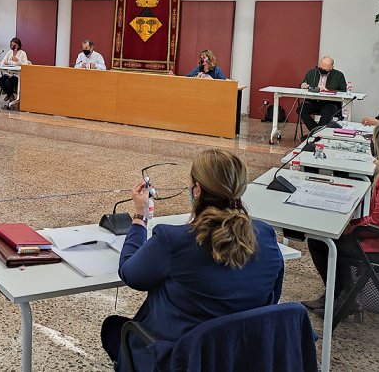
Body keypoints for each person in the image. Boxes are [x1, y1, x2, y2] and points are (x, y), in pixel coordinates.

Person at [100, 149, 284, 371]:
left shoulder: (173, 240)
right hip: (241, 355)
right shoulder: (264, 234)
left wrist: (140, 217)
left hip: (183, 358)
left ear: (197, 189)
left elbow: (131, 274)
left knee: (112, 329)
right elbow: (273, 295)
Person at [303, 121, 379, 314]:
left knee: (320, 241)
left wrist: (347, 226)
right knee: (332, 237)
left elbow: (377, 224)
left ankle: (344, 299)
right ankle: (338, 295)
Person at [299, 56, 347, 132]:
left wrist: (328, 90)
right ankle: (315, 132)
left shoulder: (339, 75)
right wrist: (302, 85)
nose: (322, 71)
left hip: (330, 103)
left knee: (327, 112)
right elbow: (302, 85)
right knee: (301, 109)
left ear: (331, 67)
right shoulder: (311, 73)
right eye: (320, 68)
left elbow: (343, 91)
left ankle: (315, 133)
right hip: (313, 101)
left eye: (325, 70)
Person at [0, 37, 31, 103]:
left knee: (8, 82)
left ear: (18, 45)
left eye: (15, 45)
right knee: (0, 81)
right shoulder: (9, 52)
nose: (13, 46)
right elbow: (2, 63)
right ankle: (10, 94)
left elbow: (26, 65)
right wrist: (6, 63)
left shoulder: (22, 53)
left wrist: (17, 61)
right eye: (12, 45)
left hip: (17, 75)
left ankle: (9, 94)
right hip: (8, 73)